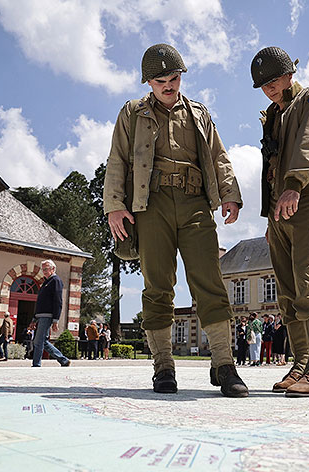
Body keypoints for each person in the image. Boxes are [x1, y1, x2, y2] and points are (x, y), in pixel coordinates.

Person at [104, 43, 247, 397]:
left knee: (209, 280)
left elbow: (218, 155)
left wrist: (230, 193)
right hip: (150, 204)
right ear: (147, 82)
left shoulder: (199, 113)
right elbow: (118, 159)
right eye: (159, 80)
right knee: (157, 286)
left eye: (174, 78)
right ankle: (163, 366)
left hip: (195, 200)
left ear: (181, 76)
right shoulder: (132, 113)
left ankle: (224, 364)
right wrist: (114, 205)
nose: (168, 85)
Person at [251, 46, 309, 397]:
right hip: (279, 211)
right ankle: (301, 364)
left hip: (305, 201)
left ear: (290, 73)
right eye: (263, 84)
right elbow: (271, 166)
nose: (269, 88)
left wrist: (293, 186)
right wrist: (270, 217)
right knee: (288, 293)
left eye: (274, 80)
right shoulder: (275, 113)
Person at [29, 259, 71, 367]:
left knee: (37, 341)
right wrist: (34, 319)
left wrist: (55, 320)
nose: (44, 271)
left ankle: (36, 365)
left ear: (53, 269)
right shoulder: (45, 283)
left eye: (46, 269)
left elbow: (58, 301)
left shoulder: (56, 281)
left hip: (47, 316)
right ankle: (63, 360)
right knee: (42, 341)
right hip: (40, 316)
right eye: (43, 269)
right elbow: (39, 303)